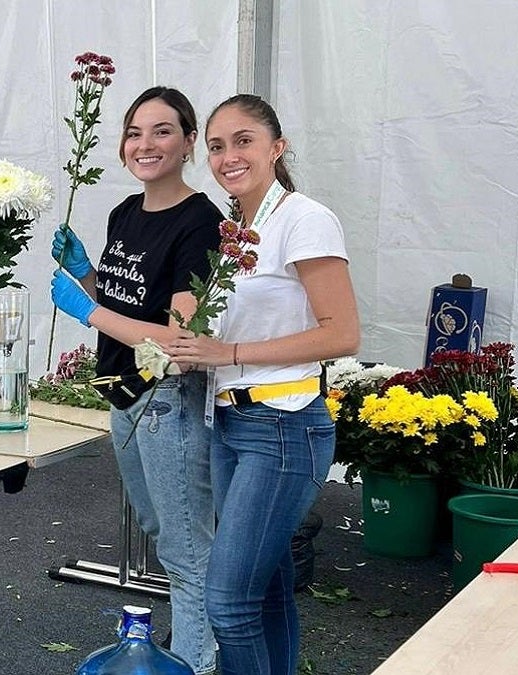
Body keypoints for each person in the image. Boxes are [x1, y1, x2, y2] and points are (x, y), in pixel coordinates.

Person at [168, 94, 360, 675]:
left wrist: (228, 351)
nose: (228, 155)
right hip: (231, 421)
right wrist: (189, 331)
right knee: (267, 591)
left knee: (227, 603)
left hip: (282, 426)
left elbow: (342, 333)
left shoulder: (305, 218)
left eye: (244, 140)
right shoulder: (236, 230)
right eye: (218, 145)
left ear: (277, 148)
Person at [51, 86, 222, 675]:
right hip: (123, 394)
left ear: (188, 142)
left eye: (162, 131)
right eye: (134, 132)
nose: (145, 144)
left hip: (166, 398)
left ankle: (195, 661)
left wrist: (87, 312)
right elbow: (126, 303)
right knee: (158, 527)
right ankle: (195, 638)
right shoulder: (125, 212)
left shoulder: (203, 224)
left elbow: (174, 341)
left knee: (185, 546)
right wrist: (87, 277)